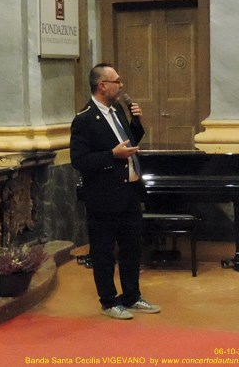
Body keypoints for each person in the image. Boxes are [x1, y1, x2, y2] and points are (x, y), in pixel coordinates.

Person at [70, 63, 160, 320]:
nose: (121, 86)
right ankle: (109, 301)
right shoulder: (84, 119)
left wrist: (136, 121)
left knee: (132, 248)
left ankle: (131, 296)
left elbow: (130, 141)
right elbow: (80, 160)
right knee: (104, 251)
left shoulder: (117, 110)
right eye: (116, 81)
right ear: (102, 85)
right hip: (104, 196)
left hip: (129, 191)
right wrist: (112, 155)